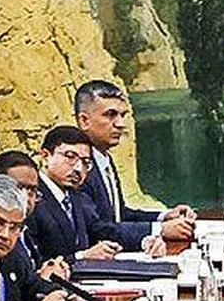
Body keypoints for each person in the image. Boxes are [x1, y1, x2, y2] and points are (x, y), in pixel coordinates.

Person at [75, 80, 196, 243]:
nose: (120, 124)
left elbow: (120, 215)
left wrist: (165, 216)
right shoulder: (78, 168)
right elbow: (97, 230)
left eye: (122, 115)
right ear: (84, 121)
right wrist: (160, 230)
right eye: (110, 114)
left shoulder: (104, 160)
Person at [25, 126, 166, 264]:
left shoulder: (77, 197)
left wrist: (146, 241)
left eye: (85, 162)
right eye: (70, 157)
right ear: (45, 156)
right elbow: (33, 264)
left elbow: (102, 231)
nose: (78, 168)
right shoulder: (31, 198)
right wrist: (82, 256)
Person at [0, 149, 73, 279]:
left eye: (32, 190)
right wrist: (44, 279)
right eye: (18, 188)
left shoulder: (25, 230)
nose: (26, 197)